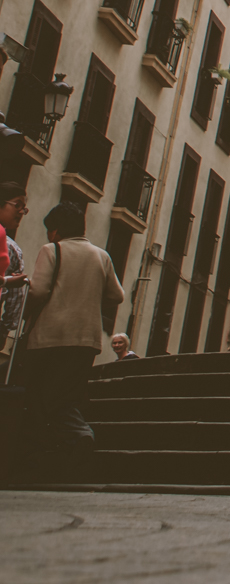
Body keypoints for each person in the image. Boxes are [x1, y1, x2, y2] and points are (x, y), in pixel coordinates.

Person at [21, 201, 124, 476]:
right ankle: (67, 446)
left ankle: (75, 436)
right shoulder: (101, 255)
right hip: (86, 340)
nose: (47, 236)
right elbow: (117, 296)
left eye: (49, 230)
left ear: (56, 230)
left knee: (41, 394)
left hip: (50, 337)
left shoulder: (52, 250)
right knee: (68, 393)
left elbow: (39, 291)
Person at [0, 183, 28, 374]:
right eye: (17, 204)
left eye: (23, 207)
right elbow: (15, 298)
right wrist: (6, 328)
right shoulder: (12, 249)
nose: (21, 211)